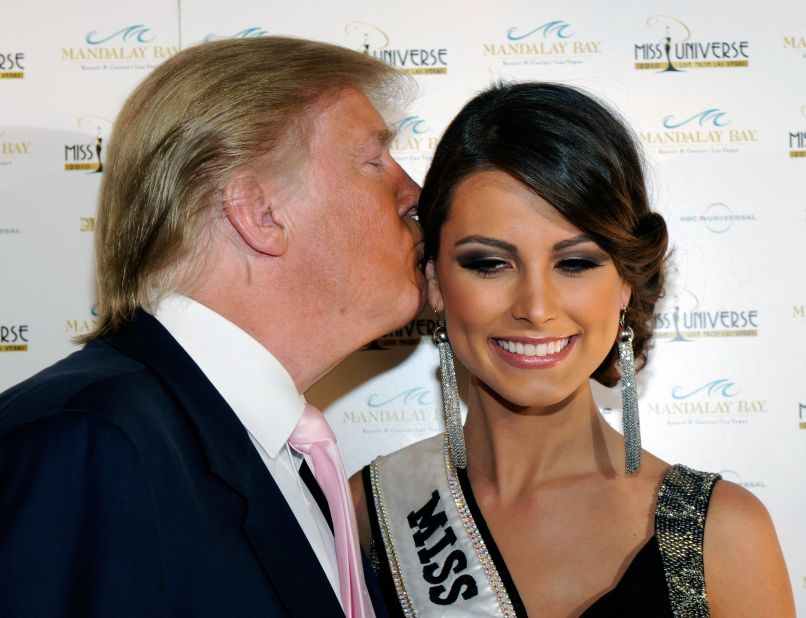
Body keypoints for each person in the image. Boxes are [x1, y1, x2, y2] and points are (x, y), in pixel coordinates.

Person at [0, 37, 423, 617]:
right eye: (374, 162)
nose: (413, 195)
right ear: (260, 213)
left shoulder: (278, 459)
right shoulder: (86, 446)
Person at [351, 83, 795, 617]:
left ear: (627, 281)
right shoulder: (367, 515)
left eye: (576, 262)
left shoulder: (723, 534)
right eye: (489, 263)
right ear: (436, 280)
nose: (536, 307)